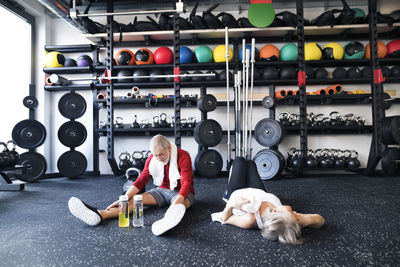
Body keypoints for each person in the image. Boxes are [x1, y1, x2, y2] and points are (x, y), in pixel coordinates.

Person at [68, 134, 195, 236]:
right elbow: (141, 180)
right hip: (161, 191)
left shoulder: (183, 156)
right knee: (134, 200)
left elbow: (187, 182)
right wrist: (123, 199)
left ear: (169, 148)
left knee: (178, 206)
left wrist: (176, 202)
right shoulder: (152, 159)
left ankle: (166, 221)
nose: (158, 158)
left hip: (182, 193)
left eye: (161, 154)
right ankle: (100, 214)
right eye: (155, 155)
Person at [211, 157, 325, 245]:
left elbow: (224, 218)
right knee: (251, 163)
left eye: (291, 212)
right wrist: (305, 220)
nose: (295, 212)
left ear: (275, 212)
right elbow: (320, 220)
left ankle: (227, 193)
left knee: (239, 161)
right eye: (294, 214)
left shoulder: (249, 220)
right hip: (260, 193)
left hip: (237, 193)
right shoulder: (289, 221)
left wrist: (231, 205)